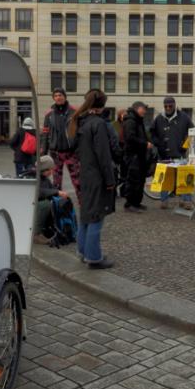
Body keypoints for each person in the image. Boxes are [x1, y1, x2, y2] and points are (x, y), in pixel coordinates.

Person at [68, 89, 116, 269]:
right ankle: (94, 257)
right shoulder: (98, 124)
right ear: (102, 105)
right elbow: (104, 156)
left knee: (86, 216)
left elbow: (74, 149)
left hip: (85, 175)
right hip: (97, 177)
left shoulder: (80, 122)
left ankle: (83, 251)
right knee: (96, 217)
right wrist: (110, 181)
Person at [150, 96, 195, 210]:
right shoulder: (159, 118)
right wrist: (157, 143)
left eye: (170, 105)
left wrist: (184, 146)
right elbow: (152, 133)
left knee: (183, 177)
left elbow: (192, 132)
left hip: (179, 153)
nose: (168, 108)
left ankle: (186, 201)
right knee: (163, 177)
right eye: (166, 106)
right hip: (163, 154)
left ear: (175, 105)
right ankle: (164, 201)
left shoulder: (184, 117)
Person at [42, 88, 80, 197]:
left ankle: (83, 204)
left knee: (77, 181)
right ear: (54, 98)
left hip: (71, 152)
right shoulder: (49, 114)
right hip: (55, 153)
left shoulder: (74, 111)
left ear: (65, 96)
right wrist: (43, 152)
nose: (58, 97)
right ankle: (57, 204)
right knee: (56, 182)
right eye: (56, 95)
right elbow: (45, 133)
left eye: (60, 95)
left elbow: (80, 131)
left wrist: (79, 148)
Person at [33, 155, 68, 244]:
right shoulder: (34, 178)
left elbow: (51, 189)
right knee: (45, 205)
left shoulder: (45, 179)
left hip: (36, 204)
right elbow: (39, 192)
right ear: (44, 169)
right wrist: (57, 192)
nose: (52, 172)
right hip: (31, 204)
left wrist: (59, 193)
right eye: (50, 169)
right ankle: (36, 234)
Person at [122, 101, 150, 212]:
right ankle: (129, 204)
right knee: (133, 180)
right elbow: (130, 138)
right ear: (137, 108)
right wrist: (145, 143)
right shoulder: (130, 121)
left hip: (140, 155)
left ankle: (137, 203)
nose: (145, 111)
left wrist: (147, 142)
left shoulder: (138, 120)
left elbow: (141, 135)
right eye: (143, 109)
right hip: (133, 155)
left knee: (140, 180)